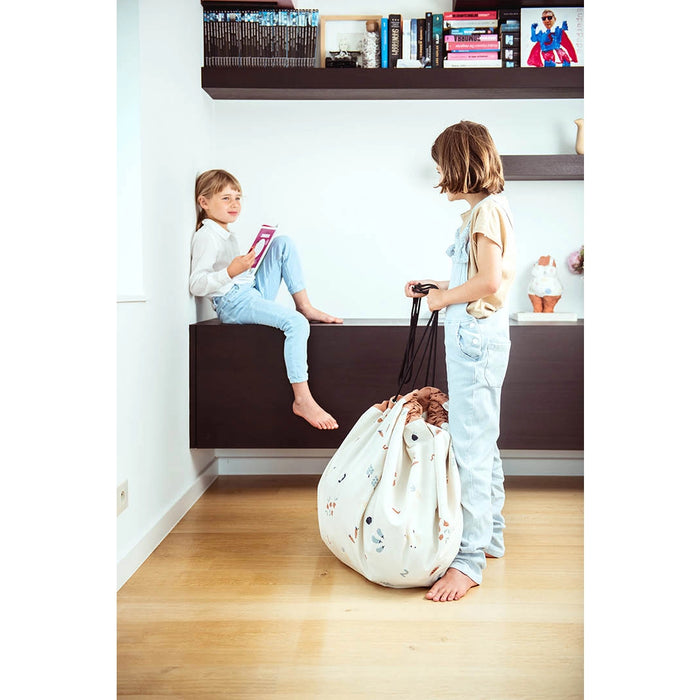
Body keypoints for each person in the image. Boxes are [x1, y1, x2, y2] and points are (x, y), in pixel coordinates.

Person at [404, 121, 516, 602]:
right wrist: (438, 290)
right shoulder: (484, 212)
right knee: (481, 442)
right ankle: (490, 537)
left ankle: (467, 563)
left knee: (470, 449)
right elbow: (476, 279)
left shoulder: (487, 213)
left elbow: (489, 282)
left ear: (459, 165)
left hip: (475, 340)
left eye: (441, 167)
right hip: (475, 338)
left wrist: (442, 299)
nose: (438, 179)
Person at [190, 169, 343, 430]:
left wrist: (245, 267)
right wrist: (232, 271)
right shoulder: (207, 235)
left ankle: (304, 305)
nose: (235, 204)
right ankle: (302, 399)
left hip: (248, 289)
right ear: (204, 203)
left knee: (282, 243)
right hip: (233, 303)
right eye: (225, 198)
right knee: (296, 324)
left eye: (238, 198)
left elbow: (234, 274)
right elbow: (197, 284)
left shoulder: (226, 232)